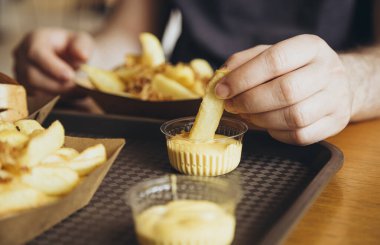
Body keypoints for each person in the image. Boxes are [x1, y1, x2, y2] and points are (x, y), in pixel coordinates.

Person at [13, 0, 380, 145]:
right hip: (167, 131)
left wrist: (352, 82)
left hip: (339, 139)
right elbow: (128, 35)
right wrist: (80, 62)